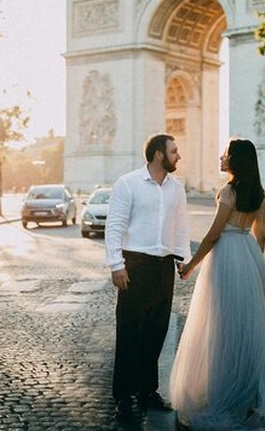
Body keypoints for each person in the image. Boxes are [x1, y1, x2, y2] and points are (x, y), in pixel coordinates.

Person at [170, 138, 265, 430]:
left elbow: (213, 235)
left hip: (225, 258)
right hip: (250, 257)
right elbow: (261, 236)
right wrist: (253, 265)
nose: (221, 157)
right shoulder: (259, 194)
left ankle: (220, 397)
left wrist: (190, 266)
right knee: (245, 332)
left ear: (235, 161)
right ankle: (246, 399)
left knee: (219, 329)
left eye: (226, 154)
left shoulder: (228, 192)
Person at [105, 133, 191, 422]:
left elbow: (181, 227)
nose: (178, 156)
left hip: (164, 266)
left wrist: (183, 259)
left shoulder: (176, 188)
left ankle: (147, 391)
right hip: (136, 264)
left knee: (156, 331)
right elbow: (115, 226)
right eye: (174, 151)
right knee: (129, 332)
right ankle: (123, 396)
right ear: (158, 155)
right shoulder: (127, 183)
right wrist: (117, 264)